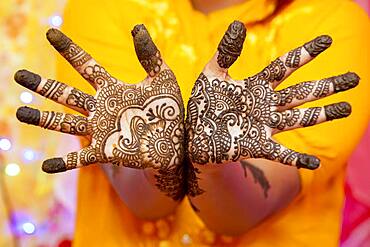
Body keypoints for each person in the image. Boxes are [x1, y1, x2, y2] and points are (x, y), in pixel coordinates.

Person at [15, 0, 370, 246]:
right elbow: (143, 202)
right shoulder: (105, 7)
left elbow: (241, 214)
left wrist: (212, 165)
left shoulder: (333, 25)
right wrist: (157, 157)